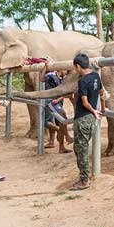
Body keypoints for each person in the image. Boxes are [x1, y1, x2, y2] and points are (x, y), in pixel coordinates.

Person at [70, 53, 105, 191]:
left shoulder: (83, 80)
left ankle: (84, 180)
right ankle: (83, 176)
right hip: (91, 119)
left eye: (75, 67)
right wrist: (102, 107)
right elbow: (102, 92)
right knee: (80, 148)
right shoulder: (96, 76)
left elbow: (84, 102)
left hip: (83, 118)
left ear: (78, 66)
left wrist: (94, 110)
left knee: (81, 149)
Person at [43, 70, 72, 153]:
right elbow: (42, 79)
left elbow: (66, 92)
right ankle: (64, 134)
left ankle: (61, 145)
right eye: (65, 70)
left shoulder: (63, 79)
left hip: (57, 103)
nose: (66, 72)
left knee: (60, 119)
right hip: (50, 102)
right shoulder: (50, 76)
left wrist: (59, 99)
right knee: (50, 121)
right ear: (61, 69)